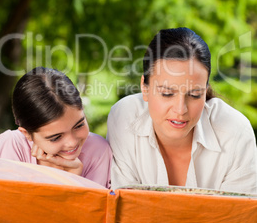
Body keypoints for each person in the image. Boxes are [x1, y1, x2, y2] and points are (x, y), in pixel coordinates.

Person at [107, 27, 257, 193]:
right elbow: (124, 207)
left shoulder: (235, 132)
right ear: (145, 88)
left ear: (205, 91)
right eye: (167, 93)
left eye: (194, 95)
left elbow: (238, 216)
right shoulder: (124, 118)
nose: (180, 110)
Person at [0, 67, 112, 188]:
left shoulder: (98, 151)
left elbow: (96, 207)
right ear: (27, 134)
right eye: (56, 137)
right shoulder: (10, 147)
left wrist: (74, 180)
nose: (72, 143)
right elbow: (6, 206)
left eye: (79, 125)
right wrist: (67, 180)